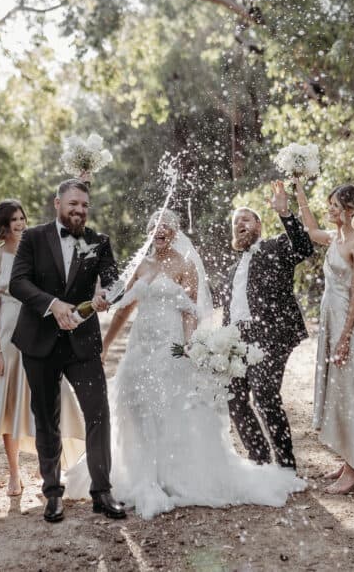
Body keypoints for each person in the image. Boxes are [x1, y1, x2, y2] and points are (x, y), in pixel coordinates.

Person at [66, 210, 307, 519]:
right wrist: (107, 344)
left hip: (171, 348)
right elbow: (124, 310)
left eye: (166, 225)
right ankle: (143, 471)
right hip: (140, 348)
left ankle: (174, 473)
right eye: (154, 226)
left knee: (171, 408)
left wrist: (189, 343)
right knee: (134, 406)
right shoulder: (141, 265)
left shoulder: (186, 265)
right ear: (149, 232)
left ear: (175, 232)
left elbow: (190, 311)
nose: (160, 229)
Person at [9, 178, 125, 523]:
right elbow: (18, 282)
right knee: (47, 418)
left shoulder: (99, 241)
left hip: (82, 344)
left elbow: (114, 280)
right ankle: (52, 494)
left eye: (85, 205)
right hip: (39, 341)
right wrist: (53, 304)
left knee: (98, 413)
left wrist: (109, 296)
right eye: (73, 203)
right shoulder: (32, 237)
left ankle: (102, 492)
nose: (79, 210)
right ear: (57, 203)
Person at [0, 199, 85, 496]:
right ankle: (14, 473)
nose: (20, 223)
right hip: (8, 339)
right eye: (13, 219)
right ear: (3, 225)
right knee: (9, 405)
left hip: (40, 333)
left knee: (46, 403)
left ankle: (48, 471)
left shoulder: (37, 251)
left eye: (22, 217)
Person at [221, 181, 315, 471]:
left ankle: (286, 465)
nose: (240, 224)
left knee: (264, 395)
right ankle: (259, 458)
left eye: (246, 219)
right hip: (236, 339)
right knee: (234, 398)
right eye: (236, 222)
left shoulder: (277, 246)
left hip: (271, 335)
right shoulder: (231, 268)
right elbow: (230, 308)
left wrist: (285, 213)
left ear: (259, 225)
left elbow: (304, 247)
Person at [294, 181, 354, 494]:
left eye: (335, 207)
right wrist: (300, 192)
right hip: (329, 317)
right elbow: (311, 229)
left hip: (344, 319)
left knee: (347, 389)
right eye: (329, 205)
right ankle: (348, 459)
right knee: (336, 389)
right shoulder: (333, 237)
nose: (330, 211)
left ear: (351, 211)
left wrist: (345, 337)